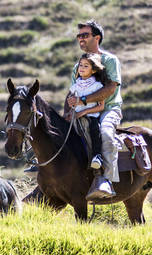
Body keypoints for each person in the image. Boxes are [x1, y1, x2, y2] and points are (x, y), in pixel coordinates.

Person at [66, 20, 123, 199]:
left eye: (85, 35)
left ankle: (106, 181)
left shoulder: (110, 60)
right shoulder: (78, 66)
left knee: (105, 134)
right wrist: (68, 112)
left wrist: (82, 101)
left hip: (108, 109)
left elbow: (110, 89)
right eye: (79, 36)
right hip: (82, 110)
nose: (80, 39)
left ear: (96, 38)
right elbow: (72, 93)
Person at [66, 53, 108, 171]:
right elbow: (72, 104)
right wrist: (70, 108)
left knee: (95, 131)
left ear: (93, 70)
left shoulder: (97, 86)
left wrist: (84, 112)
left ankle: (97, 156)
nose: (82, 68)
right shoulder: (75, 86)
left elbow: (101, 107)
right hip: (76, 117)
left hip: (91, 117)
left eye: (86, 66)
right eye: (80, 65)